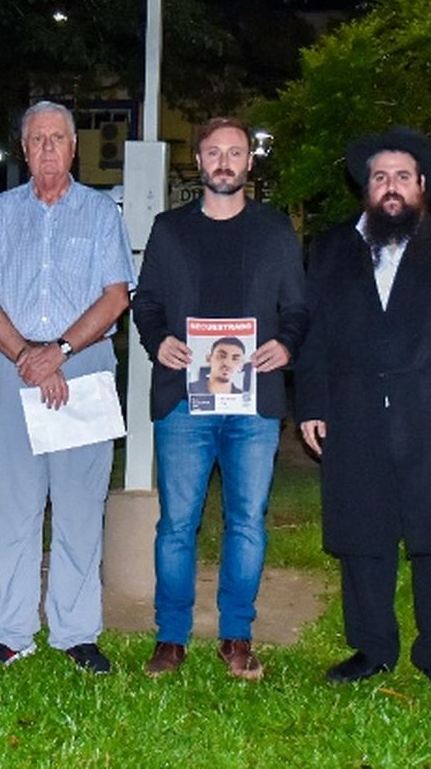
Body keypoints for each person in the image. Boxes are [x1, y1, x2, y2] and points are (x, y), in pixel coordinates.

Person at [296, 125, 431, 690]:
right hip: (355, 414)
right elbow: (313, 332)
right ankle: (371, 649)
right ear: (367, 187)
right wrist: (311, 401)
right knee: (363, 534)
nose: (391, 186)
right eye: (380, 176)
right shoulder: (331, 246)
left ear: (422, 187)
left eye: (402, 177)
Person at [132, 117, 307, 681]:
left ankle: (237, 636)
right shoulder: (170, 230)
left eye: (235, 152)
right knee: (176, 524)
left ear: (249, 163)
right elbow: (147, 303)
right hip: (185, 401)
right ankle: (170, 638)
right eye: (214, 153)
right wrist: (158, 341)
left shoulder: (276, 232)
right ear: (199, 162)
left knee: (247, 523)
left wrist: (286, 344)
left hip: (253, 404)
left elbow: (298, 310)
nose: (225, 162)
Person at [0, 100, 135, 673]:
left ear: (74, 146)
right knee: (12, 505)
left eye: (56, 139)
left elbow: (116, 296)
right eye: (35, 140)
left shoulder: (100, 213)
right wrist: (26, 355)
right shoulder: (0, 212)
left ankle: (76, 632)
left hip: (82, 366)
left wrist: (58, 351)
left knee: (80, 505)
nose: (46, 150)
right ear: (23, 147)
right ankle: (10, 630)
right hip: (13, 367)